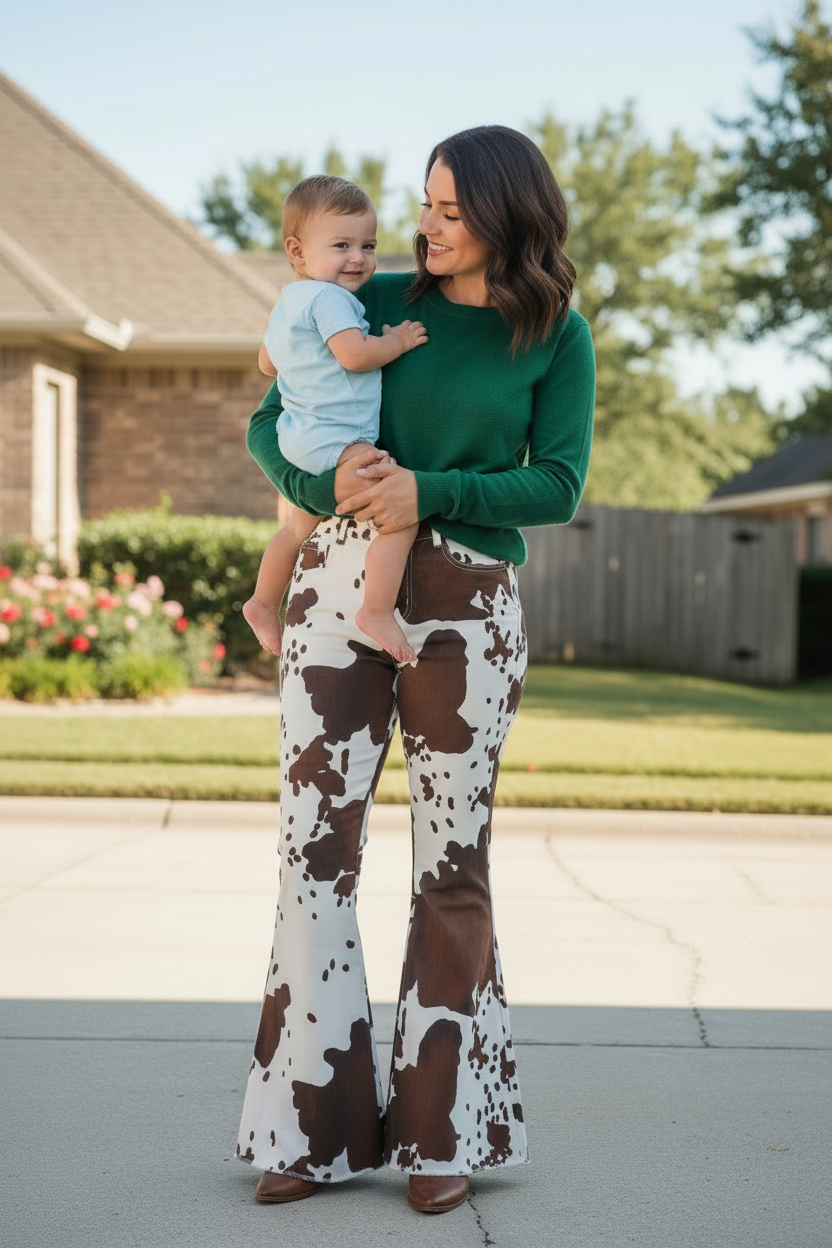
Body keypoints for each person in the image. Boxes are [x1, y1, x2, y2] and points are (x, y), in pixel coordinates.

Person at [236, 125, 595, 1215]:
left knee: (453, 866)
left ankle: (447, 1130)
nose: (425, 226)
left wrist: (429, 490)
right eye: (422, 205)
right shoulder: (368, 297)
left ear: (503, 212)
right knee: (314, 849)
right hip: (335, 588)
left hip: (469, 609)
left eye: (447, 208)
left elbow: (558, 485)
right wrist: (329, 472)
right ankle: (309, 1127)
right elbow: (267, 421)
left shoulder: (554, 331)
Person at [243, 175, 428, 664]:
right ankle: (376, 609)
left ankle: (263, 603)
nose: (358, 258)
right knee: (399, 512)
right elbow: (353, 356)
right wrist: (397, 342)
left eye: (368, 245)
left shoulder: (288, 303)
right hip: (337, 439)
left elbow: (267, 364)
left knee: (295, 528)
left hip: (300, 435)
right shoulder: (331, 300)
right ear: (298, 252)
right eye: (341, 245)